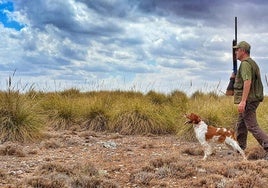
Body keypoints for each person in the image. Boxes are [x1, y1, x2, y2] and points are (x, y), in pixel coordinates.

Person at [232, 41, 268, 159]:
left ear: (243, 51)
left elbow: (248, 82)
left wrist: (243, 101)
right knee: (241, 124)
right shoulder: (252, 63)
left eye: (237, 50)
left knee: (252, 125)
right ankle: (240, 148)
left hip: (249, 100)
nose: (236, 52)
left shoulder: (245, 64)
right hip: (252, 98)